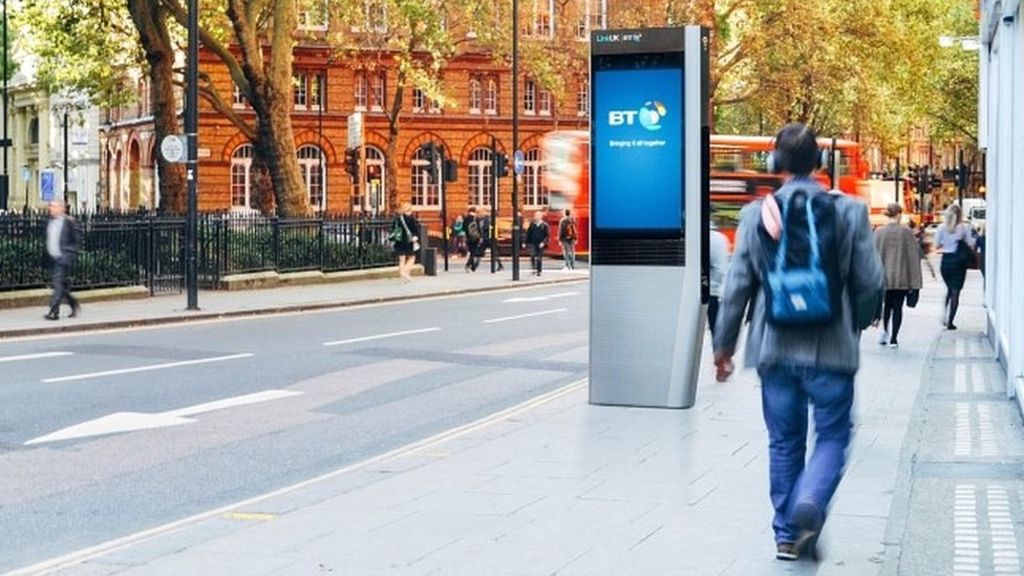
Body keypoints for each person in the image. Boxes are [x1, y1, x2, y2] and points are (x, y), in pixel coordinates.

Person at [712, 124, 884, 562]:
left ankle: (787, 534)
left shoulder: (756, 214)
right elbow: (870, 282)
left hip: (775, 348)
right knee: (831, 436)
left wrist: (723, 346)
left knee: (784, 442)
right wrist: (857, 325)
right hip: (832, 350)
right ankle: (811, 500)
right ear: (821, 165)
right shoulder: (850, 212)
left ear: (775, 164)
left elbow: (737, 287)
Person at [874, 203, 923, 348]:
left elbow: (872, 255)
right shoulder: (906, 232)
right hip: (902, 277)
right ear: (898, 214)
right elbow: (913, 256)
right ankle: (894, 338)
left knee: (886, 306)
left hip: (884, 277)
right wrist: (914, 280)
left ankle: (884, 332)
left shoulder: (878, 232)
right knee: (898, 307)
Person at [935, 204, 975, 330]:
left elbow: (936, 245)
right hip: (959, 262)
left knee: (949, 288)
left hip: (945, 261)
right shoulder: (963, 228)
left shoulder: (941, 228)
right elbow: (971, 243)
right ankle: (950, 321)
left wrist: (946, 243)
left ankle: (945, 312)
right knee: (955, 291)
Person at [44, 200, 83, 321]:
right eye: (51, 206)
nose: (51, 209)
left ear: (62, 209)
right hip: (53, 257)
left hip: (63, 258)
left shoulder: (69, 222)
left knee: (57, 284)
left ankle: (54, 312)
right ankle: (73, 304)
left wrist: (68, 254)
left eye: (54, 207)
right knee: (60, 285)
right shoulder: (49, 221)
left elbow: (76, 241)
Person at [707, 220, 729, 337]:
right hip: (715, 291)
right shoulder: (720, 237)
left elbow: (719, 269)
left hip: (712, 292)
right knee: (715, 328)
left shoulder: (711, 238)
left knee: (715, 327)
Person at [391, 202, 420, 283]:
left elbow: (393, 228)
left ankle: (404, 277)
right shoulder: (410, 219)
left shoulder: (397, 218)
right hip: (408, 241)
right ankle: (404, 273)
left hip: (399, 241)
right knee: (412, 258)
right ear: (409, 210)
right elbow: (414, 230)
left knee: (401, 260)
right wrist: (415, 237)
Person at [525, 211, 549, 276]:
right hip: (533, 243)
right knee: (532, 256)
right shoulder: (532, 224)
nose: (536, 217)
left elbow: (547, 235)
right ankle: (533, 269)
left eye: (537, 216)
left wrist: (543, 242)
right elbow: (528, 234)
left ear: (541, 217)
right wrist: (525, 242)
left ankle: (539, 271)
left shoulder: (544, 225)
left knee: (539, 258)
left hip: (540, 244)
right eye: (535, 215)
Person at [464, 207, 483, 272]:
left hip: (468, 237)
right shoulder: (476, 219)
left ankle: (473, 267)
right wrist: (481, 236)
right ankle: (467, 265)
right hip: (476, 237)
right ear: (474, 211)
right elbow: (479, 228)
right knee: (473, 252)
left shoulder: (466, 218)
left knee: (471, 251)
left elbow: (464, 228)